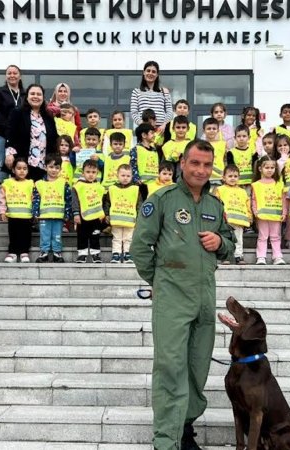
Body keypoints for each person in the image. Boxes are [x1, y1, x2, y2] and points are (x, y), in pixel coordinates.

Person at [130, 139, 235, 450]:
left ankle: (185, 431)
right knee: (170, 367)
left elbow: (229, 244)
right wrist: (161, 281)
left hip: (204, 296)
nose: (201, 170)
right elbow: (139, 247)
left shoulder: (215, 205)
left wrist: (220, 241)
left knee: (197, 366)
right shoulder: (161, 199)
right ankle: (165, 441)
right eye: (195, 163)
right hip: (172, 298)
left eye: (206, 164)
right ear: (182, 164)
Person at [5, 84, 59, 182]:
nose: (35, 96)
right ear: (27, 97)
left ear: (43, 98)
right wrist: (9, 154)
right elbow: (10, 134)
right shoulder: (17, 113)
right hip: (24, 166)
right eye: (32, 94)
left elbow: (55, 138)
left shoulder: (49, 117)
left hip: (43, 167)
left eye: (39, 94)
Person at [33, 154, 73, 263]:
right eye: (51, 167)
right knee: (45, 235)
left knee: (57, 235)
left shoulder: (64, 183)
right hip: (44, 216)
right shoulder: (39, 183)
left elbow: (68, 199)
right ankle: (44, 253)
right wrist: (35, 212)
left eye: (57, 167)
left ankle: (57, 253)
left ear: (60, 169)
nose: (54, 170)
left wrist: (67, 213)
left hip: (59, 216)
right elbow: (36, 199)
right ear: (45, 167)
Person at [252, 156, 287, 265]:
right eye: (267, 167)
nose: (270, 170)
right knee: (262, 236)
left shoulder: (279, 184)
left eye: (272, 167)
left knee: (275, 236)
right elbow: (254, 199)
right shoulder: (256, 184)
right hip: (262, 215)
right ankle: (261, 257)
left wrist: (284, 212)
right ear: (260, 169)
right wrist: (254, 210)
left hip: (276, 214)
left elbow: (283, 199)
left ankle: (277, 257)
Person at [214, 164, 252, 265]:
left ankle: (238, 256)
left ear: (239, 178)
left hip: (239, 220)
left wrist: (249, 216)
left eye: (235, 176)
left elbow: (247, 205)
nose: (233, 178)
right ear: (224, 177)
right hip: (225, 220)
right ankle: (225, 256)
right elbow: (216, 204)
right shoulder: (220, 190)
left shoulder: (243, 191)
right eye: (230, 176)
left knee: (238, 239)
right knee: (225, 239)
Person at [0, 158, 34, 263]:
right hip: (12, 215)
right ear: (13, 170)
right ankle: (12, 253)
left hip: (26, 216)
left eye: (24, 168)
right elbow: (2, 199)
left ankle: (24, 252)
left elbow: (34, 199)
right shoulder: (7, 183)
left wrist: (35, 213)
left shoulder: (31, 183)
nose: (22, 171)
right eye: (18, 168)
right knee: (13, 234)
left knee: (26, 234)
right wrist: (2, 211)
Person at [0, 65, 25, 182]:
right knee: (3, 164)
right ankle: (1, 193)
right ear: (6, 76)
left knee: (19, 165)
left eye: (15, 73)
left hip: (19, 137)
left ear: (20, 76)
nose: (12, 75)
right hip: (3, 134)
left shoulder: (24, 94)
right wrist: (6, 128)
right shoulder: (0, 91)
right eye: (9, 73)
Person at [104, 164, 140, 263]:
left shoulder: (135, 189)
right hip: (116, 219)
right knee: (117, 237)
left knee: (129, 238)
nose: (125, 178)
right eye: (123, 175)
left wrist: (139, 216)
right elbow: (107, 202)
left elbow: (139, 204)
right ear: (117, 175)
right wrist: (107, 214)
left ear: (132, 176)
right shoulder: (112, 188)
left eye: (128, 176)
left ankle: (127, 254)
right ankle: (116, 254)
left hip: (130, 219)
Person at [72, 159, 106, 263]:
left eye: (93, 172)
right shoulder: (78, 186)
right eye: (88, 172)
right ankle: (82, 254)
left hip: (96, 216)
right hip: (82, 216)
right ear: (83, 173)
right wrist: (76, 213)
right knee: (82, 235)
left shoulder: (99, 186)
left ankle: (95, 254)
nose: (91, 175)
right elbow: (75, 201)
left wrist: (103, 214)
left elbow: (103, 201)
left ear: (97, 173)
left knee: (95, 235)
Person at [130, 61, 172, 133]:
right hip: (144, 132)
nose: (150, 73)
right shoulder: (136, 91)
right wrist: (143, 125)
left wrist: (164, 125)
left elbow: (169, 112)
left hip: (161, 132)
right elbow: (134, 113)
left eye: (153, 71)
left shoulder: (164, 91)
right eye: (148, 71)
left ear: (157, 74)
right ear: (144, 72)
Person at [131, 123, 163, 196]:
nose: (154, 135)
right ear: (144, 135)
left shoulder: (155, 150)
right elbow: (133, 165)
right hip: (142, 185)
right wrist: (136, 179)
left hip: (155, 185)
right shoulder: (136, 149)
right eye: (152, 133)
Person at [201, 117, 226, 185]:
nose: (211, 130)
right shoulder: (201, 145)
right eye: (209, 129)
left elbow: (225, 160)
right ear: (203, 131)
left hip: (219, 177)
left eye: (214, 128)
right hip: (204, 177)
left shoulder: (223, 144)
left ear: (218, 130)